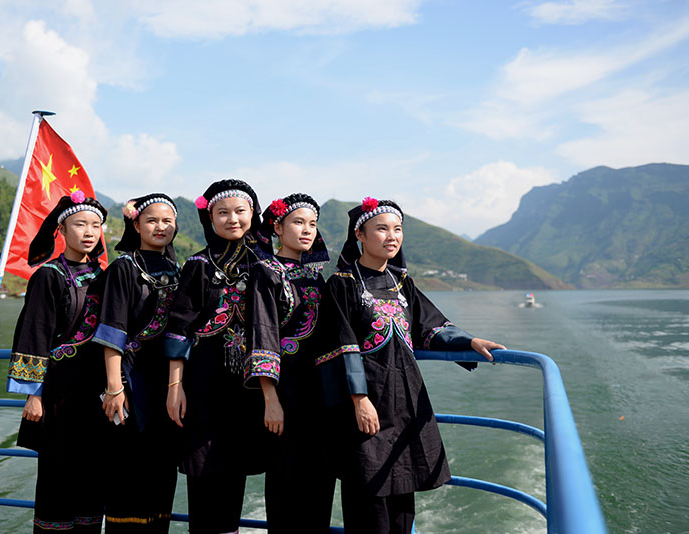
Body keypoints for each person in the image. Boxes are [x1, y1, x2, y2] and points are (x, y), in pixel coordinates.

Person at [316, 197, 505, 534]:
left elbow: (429, 326)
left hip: (405, 403)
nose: (392, 236)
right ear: (360, 233)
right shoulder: (342, 284)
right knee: (368, 497)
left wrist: (468, 342)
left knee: (403, 497)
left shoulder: (402, 283)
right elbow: (339, 346)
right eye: (382, 229)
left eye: (398, 229)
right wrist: (359, 400)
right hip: (366, 406)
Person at [164, 179, 269, 534]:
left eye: (240, 211)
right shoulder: (198, 265)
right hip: (203, 387)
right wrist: (175, 387)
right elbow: (179, 328)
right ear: (210, 217)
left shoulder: (267, 264)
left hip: (250, 389)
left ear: (253, 214)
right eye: (222, 212)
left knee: (235, 472)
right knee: (204, 472)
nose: (232, 219)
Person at [7, 191, 108, 533]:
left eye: (96, 225)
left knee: (93, 480)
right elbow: (33, 332)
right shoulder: (49, 275)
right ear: (62, 230)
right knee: (57, 479)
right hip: (57, 394)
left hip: (97, 394)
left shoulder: (106, 276)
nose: (89, 232)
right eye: (81, 224)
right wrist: (32, 393)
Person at [92, 193, 182, 532]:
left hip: (167, 385)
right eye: (152, 221)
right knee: (129, 472)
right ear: (136, 224)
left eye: (167, 221)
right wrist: (114, 386)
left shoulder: (178, 269)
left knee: (161, 472)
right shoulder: (124, 268)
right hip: (131, 381)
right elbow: (112, 327)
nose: (160, 227)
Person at [247, 193, 336, 533]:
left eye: (312, 224)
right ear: (278, 227)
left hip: (321, 396)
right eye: (298, 222)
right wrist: (270, 399)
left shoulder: (318, 278)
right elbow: (262, 332)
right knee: (286, 481)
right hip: (285, 395)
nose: (307, 230)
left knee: (321, 480)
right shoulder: (265, 273)